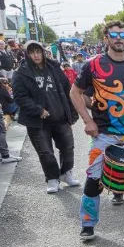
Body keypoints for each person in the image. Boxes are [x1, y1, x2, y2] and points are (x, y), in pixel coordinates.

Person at [70, 21, 124, 241]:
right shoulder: (93, 65)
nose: (118, 38)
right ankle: (87, 223)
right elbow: (74, 93)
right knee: (93, 178)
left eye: (122, 35)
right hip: (104, 134)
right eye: (113, 34)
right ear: (106, 38)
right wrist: (88, 121)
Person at [12, 40, 80, 193]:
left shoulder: (54, 67)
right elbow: (20, 97)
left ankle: (66, 173)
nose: (35, 55)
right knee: (45, 152)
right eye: (32, 52)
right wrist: (38, 110)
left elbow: (66, 90)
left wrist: (71, 114)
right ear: (27, 54)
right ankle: (52, 178)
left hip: (60, 117)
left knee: (68, 148)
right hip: (38, 121)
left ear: (43, 52)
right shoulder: (21, 73)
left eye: (38, 52)